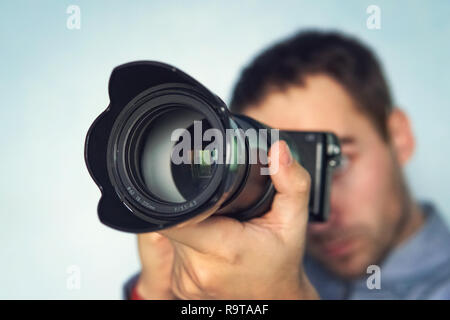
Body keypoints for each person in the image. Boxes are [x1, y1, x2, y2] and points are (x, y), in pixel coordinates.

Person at [125, 30, 450, 299]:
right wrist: (159, 292)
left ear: (399, 136)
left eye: (335, 162)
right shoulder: (234, 278)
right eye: (269, 172)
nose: (319, 219)